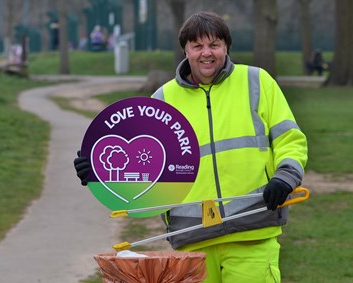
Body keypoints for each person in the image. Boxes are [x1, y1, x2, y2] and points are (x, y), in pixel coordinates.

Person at [74, 11, 308, 283]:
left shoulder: (256, 81)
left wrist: (285, 178)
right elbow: (143, 165)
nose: (206, 53)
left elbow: (289, 139)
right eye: (197, 46)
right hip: (192, 242)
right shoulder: (163, 99)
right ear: (185, 50)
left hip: (252, 231)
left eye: (214, 45)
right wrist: (100, 174)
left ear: (226, 47)